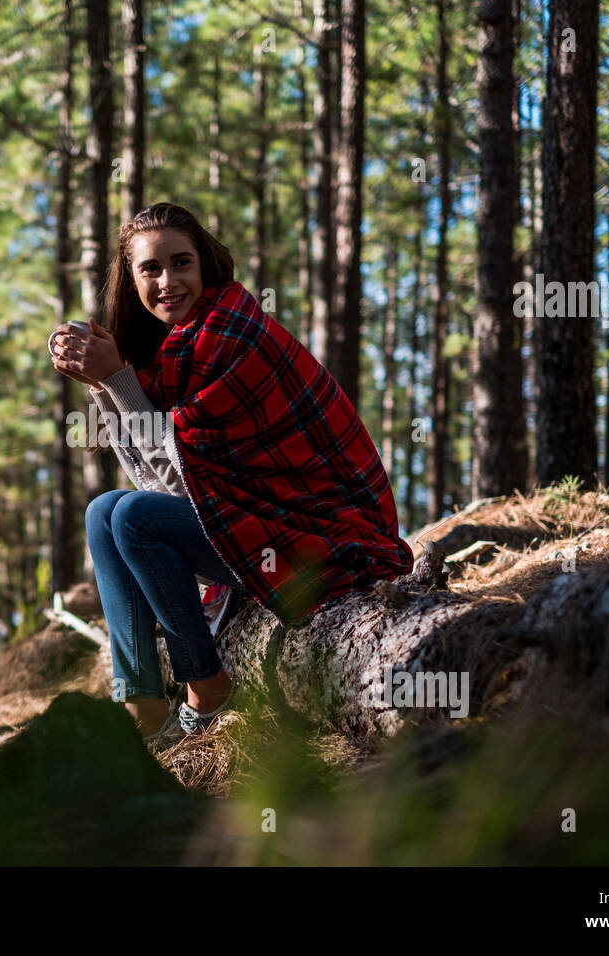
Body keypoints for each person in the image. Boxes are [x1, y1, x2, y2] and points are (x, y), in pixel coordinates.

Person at [49, 202, 411, 742]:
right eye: (151, 269)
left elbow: (178, 489)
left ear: (205, 266)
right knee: (105, 510)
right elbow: (158, 478)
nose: (168, 281)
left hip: (321, 535)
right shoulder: (178, 346)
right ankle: (142, 707)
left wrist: (119, 381)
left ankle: (205, 684)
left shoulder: (232, 337)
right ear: (131, 280)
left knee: (135, 519)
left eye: (182, 263)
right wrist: (105, 385)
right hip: (256, 524)